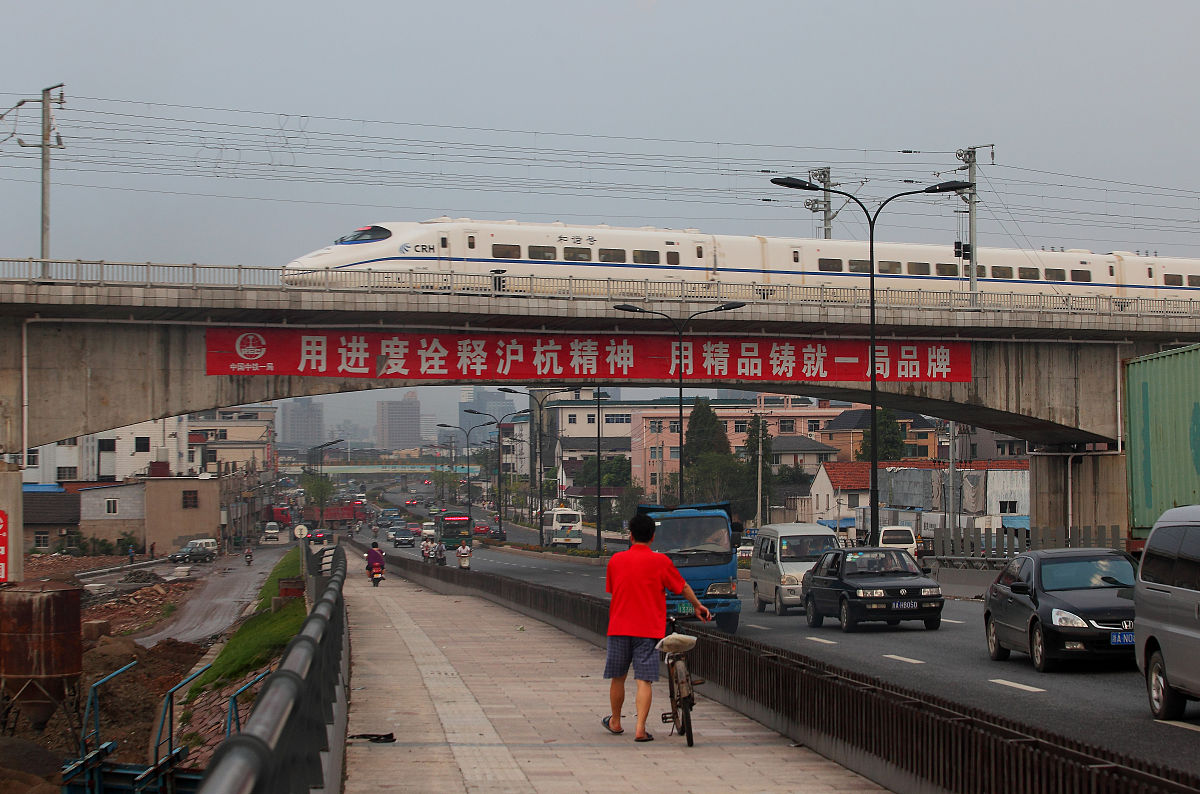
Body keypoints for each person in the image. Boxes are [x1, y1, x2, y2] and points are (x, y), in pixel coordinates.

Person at [601, 512, 711, 742]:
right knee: (644, 680)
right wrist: (698, 606)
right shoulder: (661, 562)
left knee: (618, 678)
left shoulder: (616, 561)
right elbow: (682, 587)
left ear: (630, 536)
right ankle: (640, 729)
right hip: (649, 630)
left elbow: (612, 590)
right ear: (652, 537)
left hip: (619, 627)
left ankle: (616, 721)